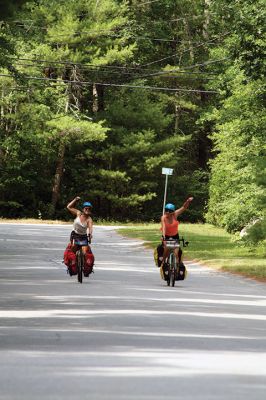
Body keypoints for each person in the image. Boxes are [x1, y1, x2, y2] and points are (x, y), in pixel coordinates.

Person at [160, 197, 193, 278]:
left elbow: (184, 207)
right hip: (166, 236)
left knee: (176, 253)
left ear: (172, 212)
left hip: (175, 236)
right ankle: (163, 263)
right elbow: (163, 227)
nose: (167, 212)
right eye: (166, 210)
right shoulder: (163, 218)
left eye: (169, 211)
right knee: (166, 250)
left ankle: (176, 269)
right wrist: (163, 237)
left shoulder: (175, 215)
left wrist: (187, 201)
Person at [65, 196, 94, 276]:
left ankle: (84, 268)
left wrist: (90, 235)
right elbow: (69, 207)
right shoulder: (78, 213)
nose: (87, 210)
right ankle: (73, 266)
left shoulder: (89, 219)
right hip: (75, 235)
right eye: (86, 208)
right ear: (83, 209)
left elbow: (91, 228)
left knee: (85, 253)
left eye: (89, 209)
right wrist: (75, 200)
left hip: (84, 237)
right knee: (73, 250)